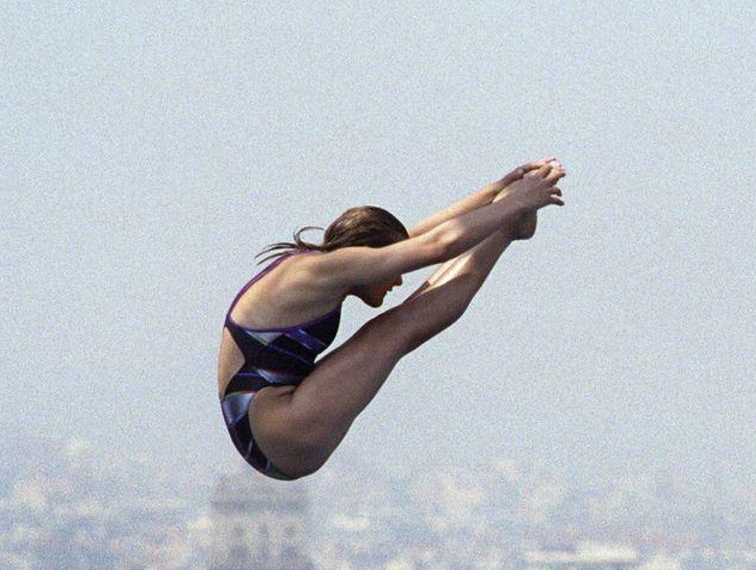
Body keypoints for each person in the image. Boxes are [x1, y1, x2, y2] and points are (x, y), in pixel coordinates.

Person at [217, 158, 565, 480]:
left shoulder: (331, 264)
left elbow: (421, 237)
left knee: (393, 326)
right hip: (280, 433)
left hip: (275, 430)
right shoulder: (318, 270)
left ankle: (505, 230)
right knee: (395, 329)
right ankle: (506, 232)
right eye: (392, 271)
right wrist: (515, 203)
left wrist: (498, 190)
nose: (398, 280)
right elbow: (439, 245)